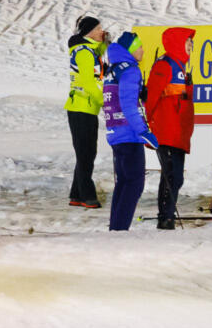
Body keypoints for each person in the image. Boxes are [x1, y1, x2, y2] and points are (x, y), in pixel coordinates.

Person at [101, 32, 155, 231]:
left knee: (124, 182)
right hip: (129, 133)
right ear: (131, 50)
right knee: (134, 183)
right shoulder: (131, 70)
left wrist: (142, 96)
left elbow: (121, 98)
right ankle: (119, 229)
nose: (142, 50)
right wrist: (143, 131)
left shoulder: (114, 69)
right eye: (139, 46)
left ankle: (116, 227)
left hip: (115, 132)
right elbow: (128, 104)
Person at [144, 27, 196, 229]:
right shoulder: (164, 64)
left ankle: (167, 215)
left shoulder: (180, 66)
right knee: (172, 175)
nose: (191, 45)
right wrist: (149, 124)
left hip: (178, 131)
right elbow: (152, 97)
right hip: (167, 130)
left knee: (176, 177)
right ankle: (165, 218)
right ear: (177, 43)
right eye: (188, 41)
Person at [65, 17, 106, 209]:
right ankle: (87, 196)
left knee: (86, 153)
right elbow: (89, 83)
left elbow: (98, 59)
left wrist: (104, 44)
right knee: (86, 154)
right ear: (88, 32)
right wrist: (105, 102)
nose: (101, 31)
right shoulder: (84, 53)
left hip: (85, 108)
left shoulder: (88, 50)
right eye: (98, 28)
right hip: (82, 108)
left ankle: (76, 194)